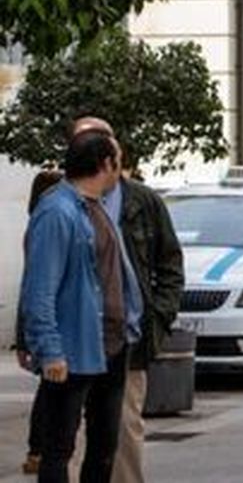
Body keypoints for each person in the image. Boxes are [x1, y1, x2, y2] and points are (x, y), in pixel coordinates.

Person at [22, 131, 144, 483]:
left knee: (104, 447)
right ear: (105, 164)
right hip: (74, 348)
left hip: (112, 345)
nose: (120, 170)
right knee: (59, 447)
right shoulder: (57, 211)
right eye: (117, 161)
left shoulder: (97, 207)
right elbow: (39, 288)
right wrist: (50, 349)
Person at [66, 117, 184, 483]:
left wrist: (159, 319)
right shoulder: (62, 201)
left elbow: (170, 264)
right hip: (75, 337)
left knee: (124, 427)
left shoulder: (142, 200)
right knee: (71, 431)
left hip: (127, 337)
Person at [17, 169, 63, 476]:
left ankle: (36, 449)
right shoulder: (47, 224)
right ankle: (38, 449)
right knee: (50, 391)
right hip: (51, 325)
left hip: (42, 324)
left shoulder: (38, 223)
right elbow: (34, 287)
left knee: (47, 392)